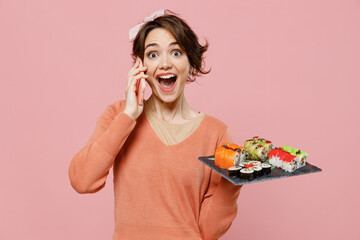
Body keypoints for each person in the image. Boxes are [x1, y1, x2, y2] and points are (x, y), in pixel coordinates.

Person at [69, 9, 242, 240]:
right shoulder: (118, 115)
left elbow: (209, 231)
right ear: (140, 68)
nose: (165, 64)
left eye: (176, 52)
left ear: (191, 63)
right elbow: (82, 181)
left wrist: (235, 179)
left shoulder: (217, 133)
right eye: (153, 55)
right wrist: (128, 116)